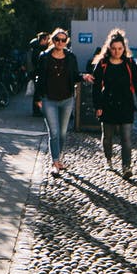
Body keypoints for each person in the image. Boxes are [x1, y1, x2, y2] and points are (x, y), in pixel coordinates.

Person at [32, 28, 94, 176]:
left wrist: (83, 77)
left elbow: (74, 75)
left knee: (63, 132)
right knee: (53, 132)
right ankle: (55, 163)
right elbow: (38, 78)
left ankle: (58, 159)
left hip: (66, 99)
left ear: (66, 42)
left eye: (63, 40)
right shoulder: (44, 56)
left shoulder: (71, 57)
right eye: (57, 39)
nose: (60, 42)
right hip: (49, 99)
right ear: (52, 40)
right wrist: (38, 98)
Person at [91, 29, 137, 179]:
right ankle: (108, 159)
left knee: (126, 138)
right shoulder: (103, 64)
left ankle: (126, 166)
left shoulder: (130, 63)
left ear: (124, 48)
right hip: (108, 104)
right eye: (113, 48)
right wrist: (98, 106)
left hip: (125, 104)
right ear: (109, 48)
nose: (117, 51)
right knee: (108, 137)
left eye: (120, 48)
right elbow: (96, 86)